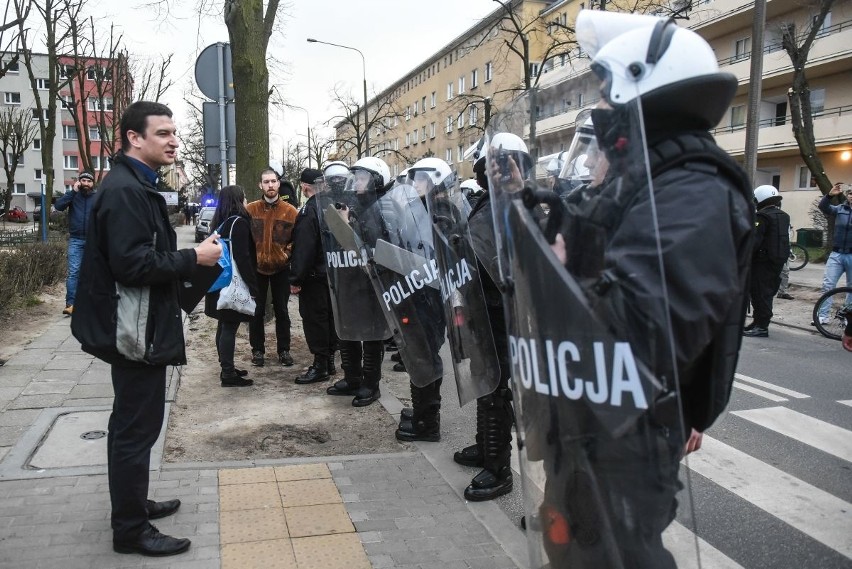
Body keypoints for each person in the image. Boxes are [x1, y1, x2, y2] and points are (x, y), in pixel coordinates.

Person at [491, 12, 753, 567]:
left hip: (625, 436)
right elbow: (582, 241)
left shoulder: (692, 193)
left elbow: (642, 332)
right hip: (590, 419)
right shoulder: (643, 186)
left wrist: (565, 269)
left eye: (609, 98)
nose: (602, 113)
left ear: (645, 94)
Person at [70, 101, 222, 557]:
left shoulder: (133, 185)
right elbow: (132, 264)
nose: (174, 140)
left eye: (175, 132)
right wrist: (194, 258)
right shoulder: (125, 191)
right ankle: (131, 529)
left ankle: (133, 505)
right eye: (163, 133)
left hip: (138, 324)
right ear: (135, 138)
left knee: (133, 426)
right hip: (132, 330)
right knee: (136, 429)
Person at [452, 154, 514, 501]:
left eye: (488, 168)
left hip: (500, 310)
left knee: (497, 389)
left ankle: (499, 468)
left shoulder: (511, 205)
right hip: (482, 307)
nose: (481, 175)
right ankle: (484, 447)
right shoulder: (488, 201)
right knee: (484, 380)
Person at [204, 185, 258, 387]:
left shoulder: (220, 223)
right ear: (238, 199)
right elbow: (243, 258)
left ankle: (226, 366)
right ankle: (227, 374)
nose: (246, 201)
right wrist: (253, 286)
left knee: (223, 325)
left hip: (218, 282)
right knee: (229, 327)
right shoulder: (240, 223)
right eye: (243, 197)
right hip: (232, 284)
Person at [289, 167, 338, 384]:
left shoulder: (310, 211)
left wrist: (296, 279)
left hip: (315, 277)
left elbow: (304, 248)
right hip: (334, 274)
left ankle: (320, 365)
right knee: (330, 319)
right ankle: (329, 362)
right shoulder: (334, 206)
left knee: (315, 320)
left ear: (304, 187)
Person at [246, 168, 299, 367]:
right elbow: (245, 238)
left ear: (279, 184)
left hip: (281, 268)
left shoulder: (290, 211)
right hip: (257, 268)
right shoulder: (251, 210)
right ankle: (257, 350)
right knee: (256, 311)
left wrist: (286, 254)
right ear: (260, 185)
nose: (270, 185)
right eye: (266, 182)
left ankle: (284, 350)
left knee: (282, 311)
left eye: (273, 181)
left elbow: (297, 239)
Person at [744, 185, 791, 337]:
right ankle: (758, 322)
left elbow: (754, 241)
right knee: (766, 293)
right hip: (776, 262)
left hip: (761, 262)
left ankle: (762, 327)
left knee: (759, 294)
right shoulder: (783, 215)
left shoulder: (762, 217)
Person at [55, 170, 97, 316]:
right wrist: (72, 192)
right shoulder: (73, 196)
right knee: (73, 273)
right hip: (76, 240)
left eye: (89, 181)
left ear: (93, 183)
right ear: (78, 182)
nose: (86, 183)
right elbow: (58, 206)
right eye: (83, 180)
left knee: (93, 273)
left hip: (93, 241)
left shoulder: (97, 197)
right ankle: (71, 304)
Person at [815, 182, 852, 324]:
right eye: (850, 194)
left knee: (851, 289)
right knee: (828, 285)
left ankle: (847, 317)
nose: (851, 196)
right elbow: (823, 207)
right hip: (836, 254)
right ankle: (823, 316)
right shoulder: (840, 209)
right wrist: (829, 195)